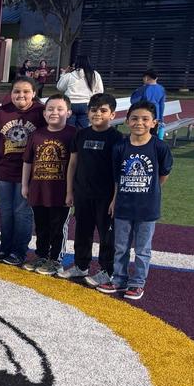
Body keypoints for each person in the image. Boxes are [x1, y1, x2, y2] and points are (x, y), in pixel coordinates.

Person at [96, 101, 173, 300]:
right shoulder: (120, 147)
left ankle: (138, 283)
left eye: (145, 119)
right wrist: (115, 199)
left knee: (142, 249)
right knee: (120, 247)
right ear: (127, 121)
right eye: (135, 118)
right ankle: (119, 279)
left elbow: (163, 174)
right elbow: (117, 177)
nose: (139, 122)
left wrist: (150, 190)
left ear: (154, 123)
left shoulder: (159, 147)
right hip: (123, 206)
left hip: (147, 207)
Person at [61, 92, 124, 285]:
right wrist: (69, 191)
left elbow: (119, 172)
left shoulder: (117, 138)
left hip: (105, 196)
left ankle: (107, 270)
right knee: (82, 231)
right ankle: (81, 265)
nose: (98, 114)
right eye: (94, 110)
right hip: (82, 193)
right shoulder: (81, 134)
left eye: (103, 110)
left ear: (112, 114)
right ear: (88, 112)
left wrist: (115, 198)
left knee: (107, 235)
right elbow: (72, 163)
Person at [0, 76, 45, 265]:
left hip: (27, 174)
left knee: (22, 212)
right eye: (17, 91)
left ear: (34, 93)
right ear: (10, 93)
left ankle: (19, 252)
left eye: (26, 91)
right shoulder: (1, 113)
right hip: (4, 172)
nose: (21, 95)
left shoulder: (41, 112)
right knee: (6, 212)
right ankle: (5, 247)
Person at [21, 94, 76, 276]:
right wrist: (25, 185)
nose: (54, 112)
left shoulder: (73, 134)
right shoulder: (37, 134)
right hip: (38, 190)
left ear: (68, 113)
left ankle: (56, 260)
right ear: (44, 113)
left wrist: (71, 191)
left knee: (58, 227)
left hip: (60, 192)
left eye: (60, 109)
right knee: (41, 226)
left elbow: (76, 164)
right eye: (50, 109)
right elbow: (28, 161)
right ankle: (41, 255)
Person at [56, 55, 103, 128]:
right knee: (83, 129)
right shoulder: (95, 75)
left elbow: (60, 87)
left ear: (76, 63)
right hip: (86, 104)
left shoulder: (70, 75)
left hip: (70, 104)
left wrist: (64, 74)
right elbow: (100, 91)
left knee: (69, 128)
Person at [130, 70, 167, 140]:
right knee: (153, 135)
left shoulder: (143, 89)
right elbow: (162, 104)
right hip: (156, 116)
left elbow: (133, 101)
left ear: (146, 78)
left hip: (144, 115)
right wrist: (161, 118)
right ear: (156, 78)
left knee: (141, 135)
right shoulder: (161, 88)